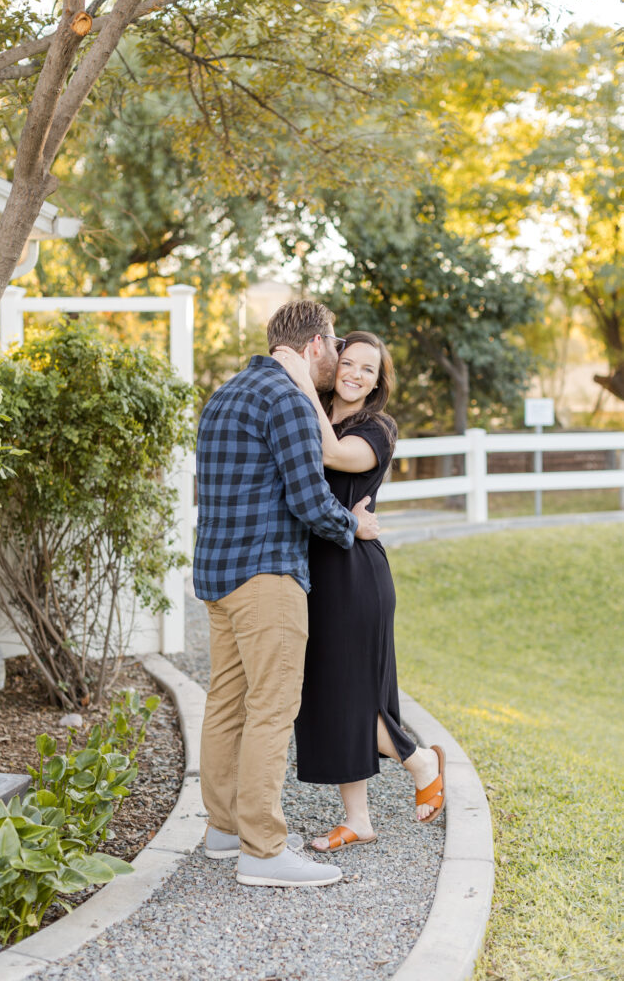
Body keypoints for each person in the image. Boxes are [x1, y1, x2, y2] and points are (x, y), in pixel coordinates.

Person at [194, 301, 381, 886]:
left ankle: (224, 830)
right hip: (268, 577)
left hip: (217, 577)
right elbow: (308, 499)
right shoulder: (290, 399)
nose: (336, 358)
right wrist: (356, 525)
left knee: (226, 705)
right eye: (333, 345)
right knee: (273, 709)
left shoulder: (224, 394)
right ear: (315, 345)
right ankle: (264, 851)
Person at [271, 331, 445, 851]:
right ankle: (358, 819)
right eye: (348, 363)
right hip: (315, 572)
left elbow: (335, 455)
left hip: (354, 574)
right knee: (328, 695)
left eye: (368, 369)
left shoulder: (377, 428)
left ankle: (420, 762)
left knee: (350, 695)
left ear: (378, 381)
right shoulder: (317, 410)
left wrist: (303, 380)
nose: (355, 374)